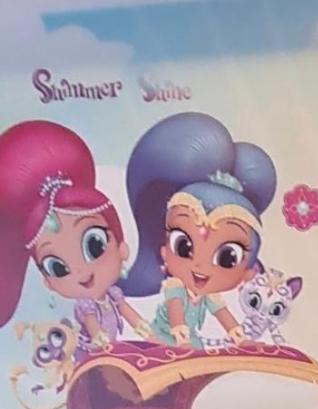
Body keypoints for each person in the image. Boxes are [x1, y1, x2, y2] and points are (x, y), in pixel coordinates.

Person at [122, 112, 276, 349]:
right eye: (184, 247)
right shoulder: (175, 287)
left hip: (192, 344)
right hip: (165, 341)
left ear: (247, 272)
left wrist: (240, 339)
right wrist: (181, 341)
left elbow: (223, 316)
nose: (200, 266)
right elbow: (176, 316)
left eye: (227, 258)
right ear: (164, 252)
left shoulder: (208, 297)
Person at [0, 120, 151, 355]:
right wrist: (103, 344)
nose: (82, 272)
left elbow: (133, 317)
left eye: (95, 245)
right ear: (48, 282)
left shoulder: (114, 295)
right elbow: (94, 329)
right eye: (58, 267)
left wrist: (150, 334)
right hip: (92, 355)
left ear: (122, 247)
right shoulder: (85, 304)